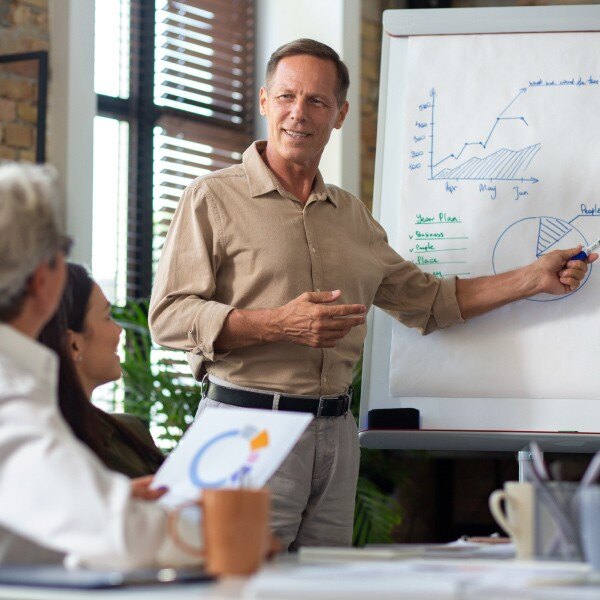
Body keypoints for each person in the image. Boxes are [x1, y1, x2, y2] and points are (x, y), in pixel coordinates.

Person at [149, 39, 596, 551]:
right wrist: (279, 324)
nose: (300, 113)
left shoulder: (353, 217)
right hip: (244, 428)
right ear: (264, 101)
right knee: (235, 585)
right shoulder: (211, 198)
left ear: (338, 115)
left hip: (336, 438)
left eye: (317, 101)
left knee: (327, 588)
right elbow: (169, 317)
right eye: (287, 97)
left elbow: (430, 303)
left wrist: (533, 278)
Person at [0, 163, 195, 568]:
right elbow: (122, 535)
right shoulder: (10, 398)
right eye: (64, 248)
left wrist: (111, 498)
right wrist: (221, 531)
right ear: (41, 277)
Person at [38, 263, 164, 479]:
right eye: (107, 317)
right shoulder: (49, 455)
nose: (119, 330)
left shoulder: (131, 431)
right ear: (74, 345)